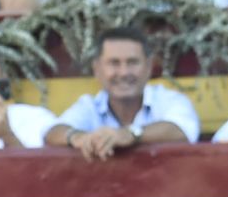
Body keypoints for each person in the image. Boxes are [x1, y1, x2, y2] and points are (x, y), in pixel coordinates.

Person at [45, 24, 200, 159]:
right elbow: (52, 132)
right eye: (114, 63)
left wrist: (130, 134)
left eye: (132, 62)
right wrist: (78, 138)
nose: (124, 72)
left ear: (148, 67)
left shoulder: (171, 100)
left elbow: (182, 131)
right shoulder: (89, 105)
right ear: (97, 69)